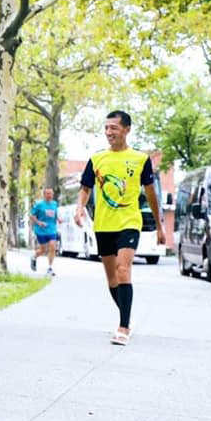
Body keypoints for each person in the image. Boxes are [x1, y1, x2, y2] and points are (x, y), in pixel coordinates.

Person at [74, 110, 164, 346]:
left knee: (124, 270)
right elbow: (85, 188)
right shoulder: (96, 159)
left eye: (113, 127)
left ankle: (123, 327)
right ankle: (127, 315)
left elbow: (151, 193)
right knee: (112, 279)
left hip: (129, 222)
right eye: (106, 128)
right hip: (104, 224)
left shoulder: (140, 159)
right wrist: (79, 209)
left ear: (126, 129)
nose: (108, 132)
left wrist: (161, 226)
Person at [30, 187, 60, 276]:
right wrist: (39, 223)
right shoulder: (39, 205)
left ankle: (50, 268)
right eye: (47, 193)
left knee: (52, 247)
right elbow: (32, 216)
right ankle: (34, 257)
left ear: (53, 194)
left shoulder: (55, 204)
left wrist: (59, 219)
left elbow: (55, 215)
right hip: (41, 230)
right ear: (44, 194)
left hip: (52, 229)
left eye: (50, 193)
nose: (49, 195)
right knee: (43, 250)